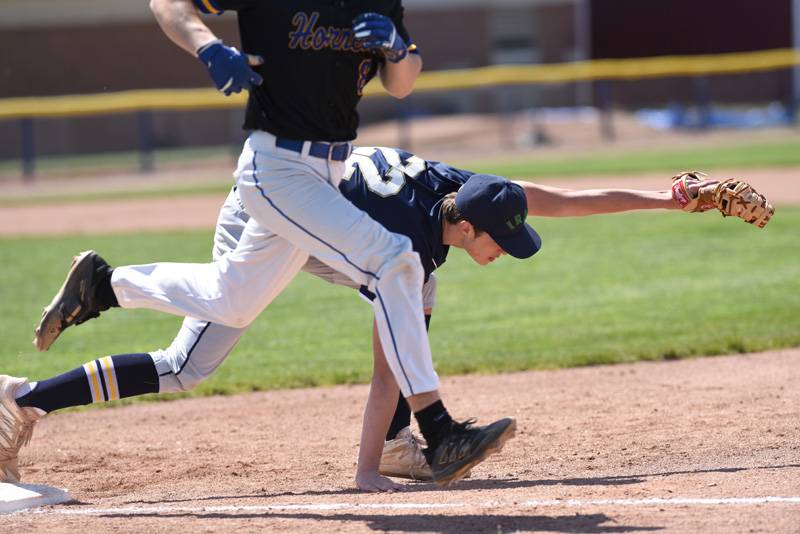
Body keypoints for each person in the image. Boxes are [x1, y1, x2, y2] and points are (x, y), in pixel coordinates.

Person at [1, 145, 730, 491]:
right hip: (280, 211)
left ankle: (24, 399)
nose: (505, 251)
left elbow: (564, 199)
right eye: (501, 243)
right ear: (469, 229)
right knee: (383, 296)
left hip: (313, 214)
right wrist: (364, 477)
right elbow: (389, 360)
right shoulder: (408, 242)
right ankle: (389, 450)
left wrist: (667, 199)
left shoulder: (458, 189)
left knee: (187, 366)